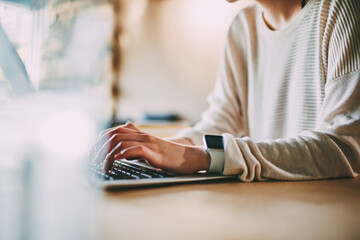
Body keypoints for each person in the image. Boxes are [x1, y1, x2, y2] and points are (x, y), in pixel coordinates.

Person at [94, 0, 360, 181]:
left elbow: (344, 149)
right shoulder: (243, 26)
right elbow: (221, 123)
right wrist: (158, 149)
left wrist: (203, 157)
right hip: (266, 205)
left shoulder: (340, 10)